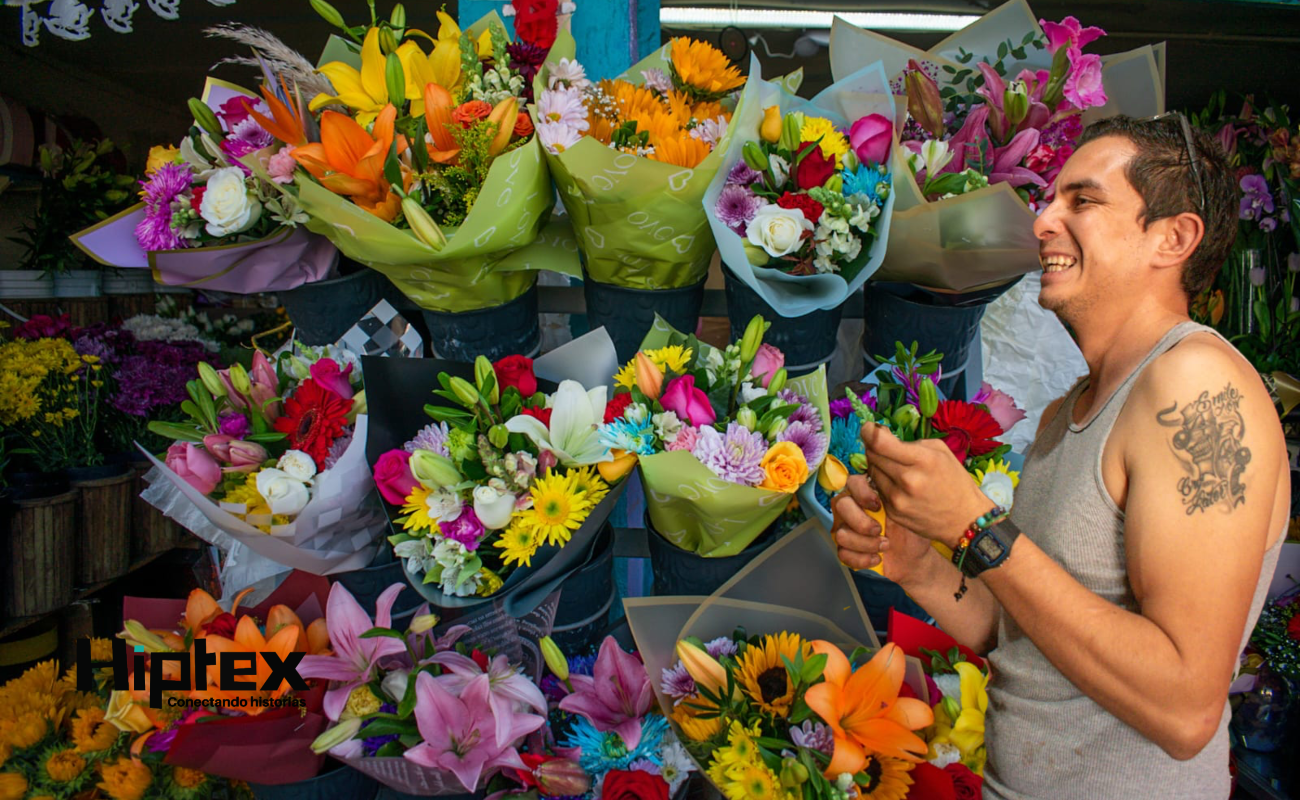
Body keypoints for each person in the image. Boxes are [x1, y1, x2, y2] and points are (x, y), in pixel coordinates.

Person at [832, 114, 1291, 799]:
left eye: (1083, 201)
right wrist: (916, 564)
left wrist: (976, 528)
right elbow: (1016, 634)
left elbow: (1186, 710)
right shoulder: (1065, 412)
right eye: (1049, 200)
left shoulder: (1195, 388)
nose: (1042, 222)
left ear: (1174, 237)